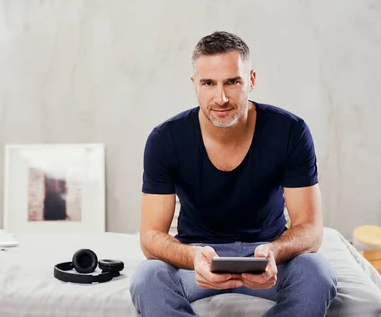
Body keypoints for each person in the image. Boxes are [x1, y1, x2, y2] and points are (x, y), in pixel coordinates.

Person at [129, 31, 338, 316]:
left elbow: (311, 230)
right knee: (147, 277)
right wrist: (192, 256)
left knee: (317, 272)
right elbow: (150, 235)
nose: (222, 97)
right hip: (198, 260)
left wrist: (273, 252)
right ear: (195, 85)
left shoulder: (290, 131)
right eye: (209, 83)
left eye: (232, 81)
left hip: (268, 258)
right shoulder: (166, 139)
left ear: (250, 80)